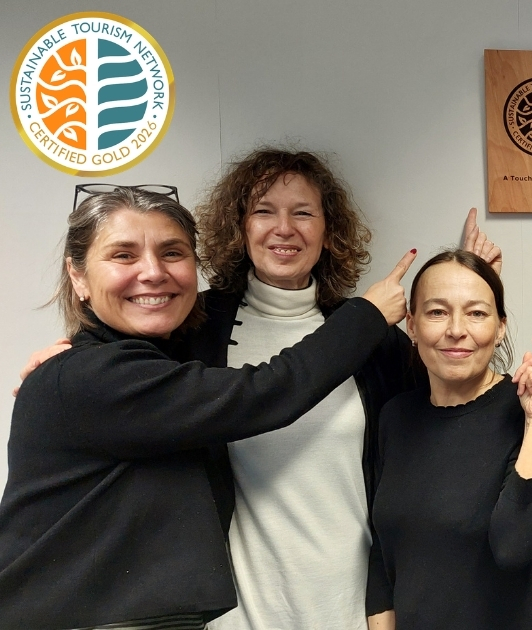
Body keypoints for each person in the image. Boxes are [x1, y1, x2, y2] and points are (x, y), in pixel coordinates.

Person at [0, 187, 413, 629]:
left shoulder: (134, 359)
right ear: (77, 276)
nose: (153, 272)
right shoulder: (92, 375)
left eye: (172, 252)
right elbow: (263, 393)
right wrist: (368, 315)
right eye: (123, 255)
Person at [191, 149, 500, 630]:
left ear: (328, 231)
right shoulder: (197, 330)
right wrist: (73, 352)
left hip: (357, 607)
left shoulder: (369, 336)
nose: (284, 228)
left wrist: (468, 287)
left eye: (303, 213)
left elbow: (458, 400)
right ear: (239, 226)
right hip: (241, 613)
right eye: (264, 211)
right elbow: (132, 381)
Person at [364, 250, 532, 630]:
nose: (456, 329)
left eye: (476, 313)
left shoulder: (529, 410)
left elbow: (515, 547)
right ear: (412, 325)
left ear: (501, 327)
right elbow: (383, 557)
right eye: (437, 312)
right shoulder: (395, 416)